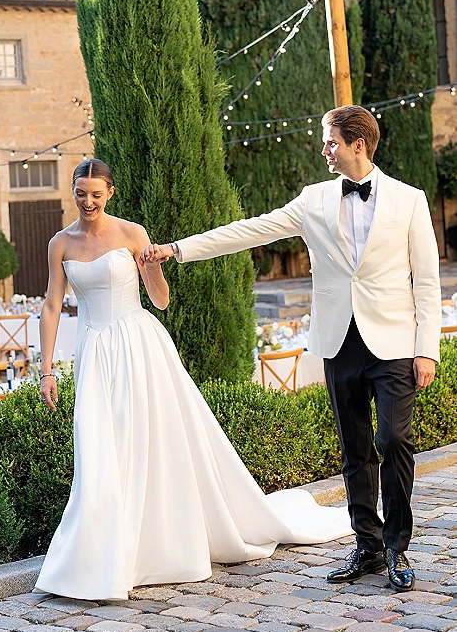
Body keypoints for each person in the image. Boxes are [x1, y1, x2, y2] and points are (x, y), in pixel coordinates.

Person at [142, 105, 441, 593]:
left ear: (357, 144)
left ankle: (397, 546)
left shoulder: (410, 201)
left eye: (331, 142)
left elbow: (427, 282)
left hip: (395, 345)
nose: (324, 150)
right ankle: (366, 545)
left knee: (394, 441)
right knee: (355, 448)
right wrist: (176, 249)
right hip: (338, 341)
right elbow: (250, 230)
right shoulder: (314, 200)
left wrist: (426, 349)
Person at [35, 157, 351, 601]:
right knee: (97, 448)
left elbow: (160, 302)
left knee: (149, 441)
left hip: (138, 344)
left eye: (96, 194)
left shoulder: (133, 234)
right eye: (81, 193)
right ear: (73, 192)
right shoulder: (59, 243)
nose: (88, 201)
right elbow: (52, 305)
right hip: (92, 351)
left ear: (110, 193)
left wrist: (151, 268)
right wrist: (47, 368)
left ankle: (155, 546)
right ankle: (100, 557)